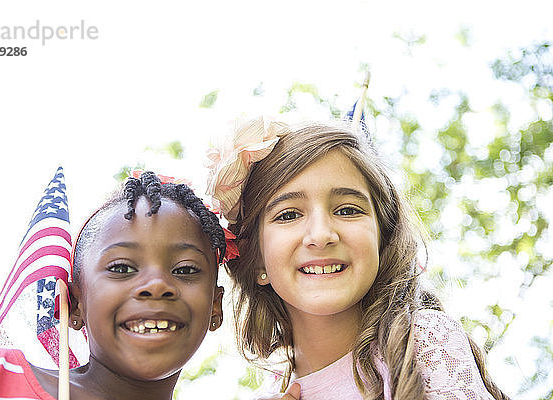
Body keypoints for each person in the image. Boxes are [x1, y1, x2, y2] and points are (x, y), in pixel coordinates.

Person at [206, 117, 509, 400]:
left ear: (382, 237)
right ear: (255, 258)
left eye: (348, 210)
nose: (322, 234)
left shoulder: (421, 345)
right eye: (288, 215)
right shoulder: (274, 392)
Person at [0, 171, 226, 400]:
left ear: (215, 306)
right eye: (121, 268)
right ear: (73, 305)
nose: (156, 285)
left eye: (185, 269)